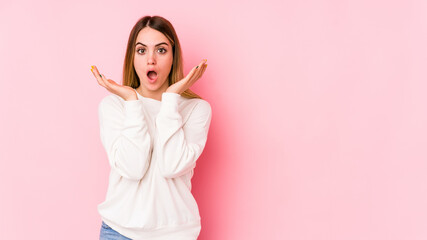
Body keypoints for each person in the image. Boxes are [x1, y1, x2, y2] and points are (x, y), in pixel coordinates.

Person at [90, 15, 212, 240]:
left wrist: (171, 98)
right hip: (119, 232)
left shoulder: (197, 109)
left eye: (161, 50)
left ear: (174, 56)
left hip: (176, 234)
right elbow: (132, 168)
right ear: (132, 57)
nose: (151, 61)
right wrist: (132, 102)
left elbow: (171, 165)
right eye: (142, 50)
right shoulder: (114, 105)